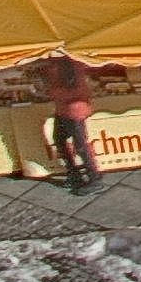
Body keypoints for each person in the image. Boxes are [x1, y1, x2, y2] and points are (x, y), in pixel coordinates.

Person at [47, 60, 100, 191]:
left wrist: (52, 92)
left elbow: (74, 91)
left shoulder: (69, 66)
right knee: (59, 140)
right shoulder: (62, 65)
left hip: (74, 111)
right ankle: (73, 173)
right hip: (63, 110)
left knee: (80, 145)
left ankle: (94, 178)